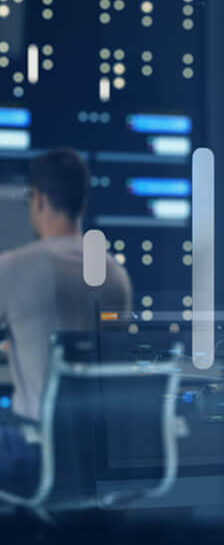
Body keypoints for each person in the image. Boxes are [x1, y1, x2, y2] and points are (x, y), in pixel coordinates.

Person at [0, 148, 131, 493]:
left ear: (39, 199)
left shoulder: (14, 267)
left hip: (32, 455)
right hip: (99, 457)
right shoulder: (116, 275)